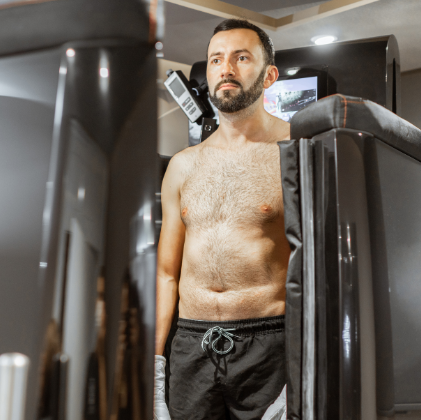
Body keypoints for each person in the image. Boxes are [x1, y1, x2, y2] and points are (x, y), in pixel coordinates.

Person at [154, 19, 290, 420]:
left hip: (268, 346)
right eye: (216, 59)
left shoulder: (297, 152)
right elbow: (166, 273)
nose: (225, 68)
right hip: (190, 344)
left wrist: (304, 365)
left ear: (269, 76)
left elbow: (315, 269)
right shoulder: (182, 165)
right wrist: (155, 362)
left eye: (241, 57)